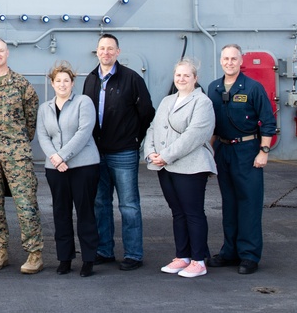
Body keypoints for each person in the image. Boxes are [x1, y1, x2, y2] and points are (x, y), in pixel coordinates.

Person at [82, 33, 155, 271]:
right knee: (100, 203)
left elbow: (146, 112)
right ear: (97, 51)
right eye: (102, 48)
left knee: (129, 205)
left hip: (123, 152)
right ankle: (104, 250)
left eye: (110, 48)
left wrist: (134, 137)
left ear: (118, 52)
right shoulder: (91, 79)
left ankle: (134, 254)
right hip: (96, 152)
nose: (106, 52)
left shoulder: (132, 79)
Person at [0, 38, 44, 274]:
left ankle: (34, 253)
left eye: (1, 50)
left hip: (18, 156)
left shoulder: (22, 85)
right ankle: (0, 250)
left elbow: (30, 122)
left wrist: (16, 143)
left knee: (26, 205)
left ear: (7, 53)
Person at [206, 44, 277, 275]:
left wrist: (263, 151)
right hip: (224, 150)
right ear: (221, 61)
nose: (229, 62)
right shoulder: (214, 88)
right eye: (225, 58)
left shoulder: (253, 88)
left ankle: (249, 255)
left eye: (233, 59)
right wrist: (209, 151)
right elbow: (212, 124)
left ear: (240, 62)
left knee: (249, 203)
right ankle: (230, 252)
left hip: (248, 150)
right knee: (229, 203)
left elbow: (268, 122)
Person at [144, 58, 216, 279]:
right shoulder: (167, 101)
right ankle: (182, 256)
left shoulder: (202, 102)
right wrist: (150, 152)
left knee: (193, 213)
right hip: (166, 166)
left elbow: (195, 136)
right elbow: (153, 127)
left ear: (195, 78)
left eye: (186, 75)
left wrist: (165, 156)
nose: (182, 79)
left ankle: (198, 260)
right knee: (178, 213)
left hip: (191, 167)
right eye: (178, 75)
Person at [36, 62, 99, 277]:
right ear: (52, 83)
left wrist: (62, 156)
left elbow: (84, 132)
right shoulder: (44, 108)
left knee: (85, 212)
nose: (62, 84)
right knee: (60, 213)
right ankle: (64, 258)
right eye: (58, 81)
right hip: (55, 168)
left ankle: (89, 259)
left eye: (66, 80)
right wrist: (55, 158)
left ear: (72, 83)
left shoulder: (83, 102)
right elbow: (43, 136)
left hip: (83, 166)